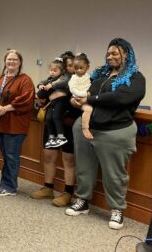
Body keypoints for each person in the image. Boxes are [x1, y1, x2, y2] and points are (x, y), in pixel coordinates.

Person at [66, 38, 145, 230]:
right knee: (84, 167)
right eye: (108, 53)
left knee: (114, 174)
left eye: (115, 53)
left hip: (116, 132)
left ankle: (117, 209)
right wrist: (76, 102)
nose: (110, 56)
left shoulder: (135, 78)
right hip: (86, 129)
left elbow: (121, 98)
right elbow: (85, 96)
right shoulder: (100, 76)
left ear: (126, 54)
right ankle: (82, 200)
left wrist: (91, 99)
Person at [30, 51, 79, 207]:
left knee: (68, 160)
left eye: (71, 65)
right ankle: (48, 187)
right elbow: (42, 94)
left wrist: (57, 94)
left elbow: (79, 101)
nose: (69, 68)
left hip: (68, 125)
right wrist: (51, 94)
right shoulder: (55, 78)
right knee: (48, 156)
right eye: (66, 66)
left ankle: (67, 193)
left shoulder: (80, 80)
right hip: (50, 123)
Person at [0, 49, 34, 196]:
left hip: (15, 125)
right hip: (0, 123)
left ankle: (10, 186)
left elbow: (26, 99)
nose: (11, 62)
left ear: (20, 63)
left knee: (12, 156)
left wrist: (4, 108)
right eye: (9, 59)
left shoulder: (25, 80)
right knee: (5, 154)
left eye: (15, 60)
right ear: (5, 61)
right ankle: (5, 182)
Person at [36, 58, 69, 148]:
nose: (52, 72)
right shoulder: (50, 79)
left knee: (56, 116)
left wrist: (51, 85)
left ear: (62, 71)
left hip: (61, 101)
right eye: (51, 70)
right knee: (48, 118)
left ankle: (61, 136)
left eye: (55, 71)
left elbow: (63, 83)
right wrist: (40, 85)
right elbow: (43, 82)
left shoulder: (63, 78)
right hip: (52, 102)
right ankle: (51, 137)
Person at [69, 53, 93, 140]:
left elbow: (90, 87)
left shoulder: (88, 77)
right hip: (78, 99)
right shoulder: (73, 78)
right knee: (88, 109)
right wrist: (85, 94)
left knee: (93, 109)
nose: (78, 70)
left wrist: (89, 94)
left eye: (81, 68)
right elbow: (73, 89)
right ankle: (85, 128)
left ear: (87, 67)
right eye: (76, 68)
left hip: (87, 98)